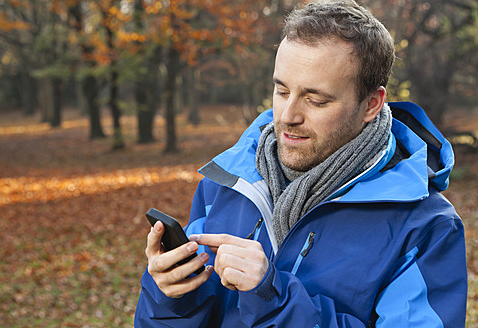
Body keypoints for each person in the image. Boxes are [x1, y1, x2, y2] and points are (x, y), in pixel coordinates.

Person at [134, 0, 468, 327]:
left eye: (315, 99)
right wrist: (168, 297)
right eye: (281, 91)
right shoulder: (225, 184)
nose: (288, 117)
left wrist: (274, 300)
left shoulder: (427, 227)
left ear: (371, 104)